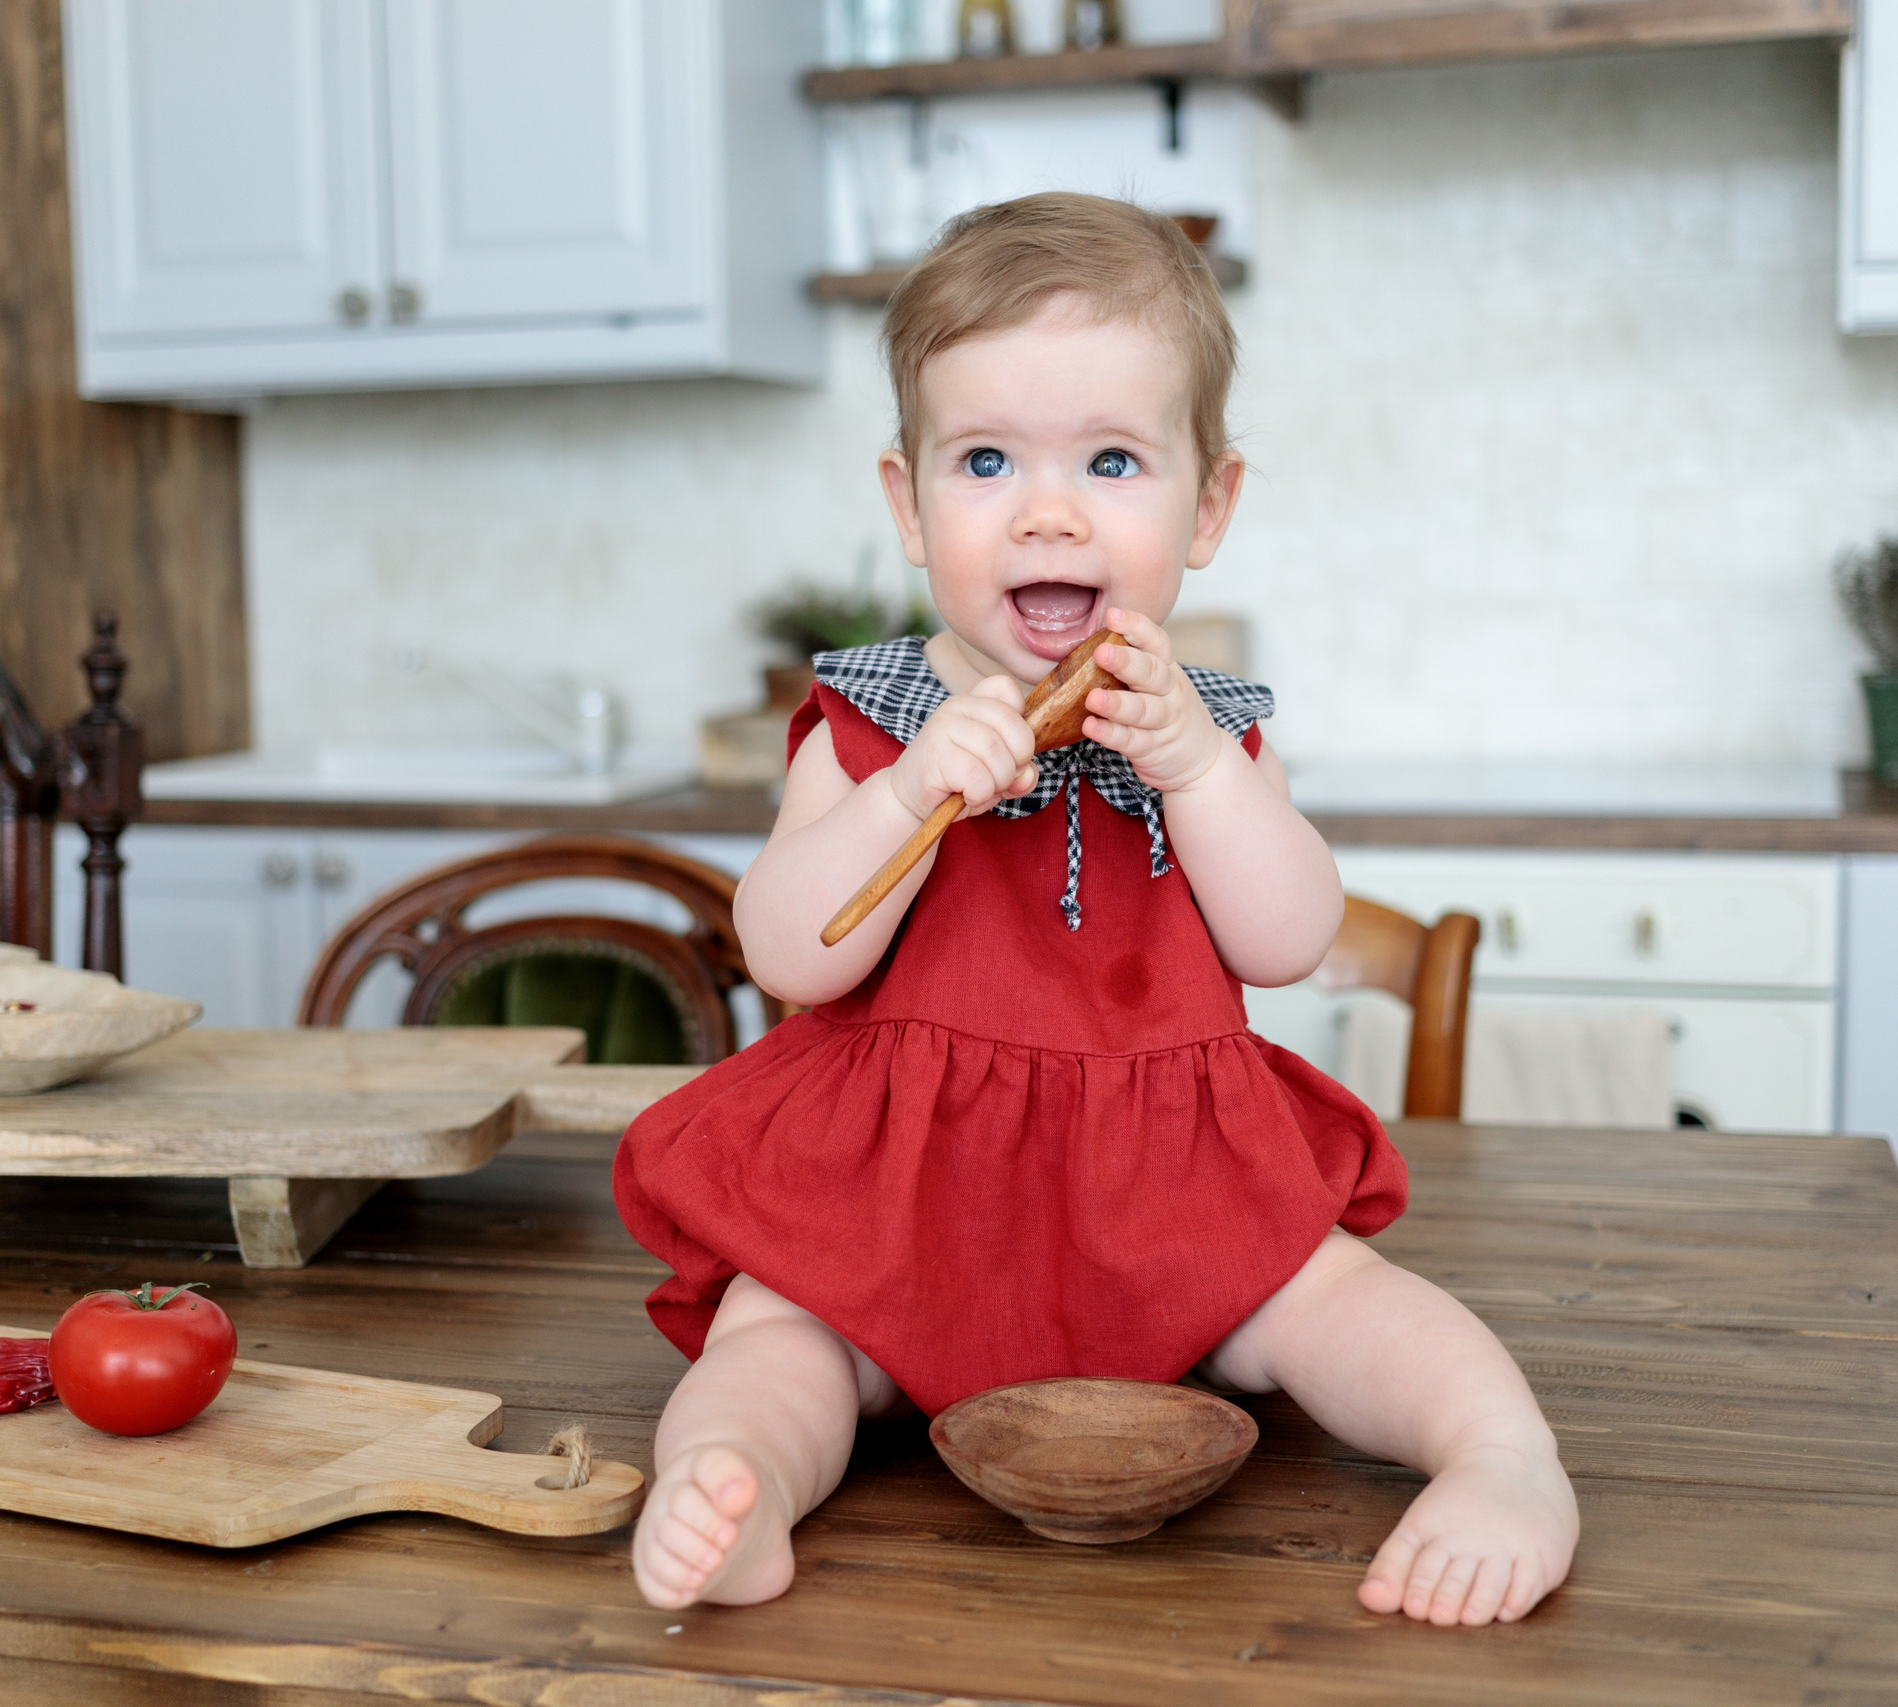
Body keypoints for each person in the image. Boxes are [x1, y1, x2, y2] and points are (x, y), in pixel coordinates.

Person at [613, 192, 1577, 1627]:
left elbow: (1285, 937)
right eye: (986, 459)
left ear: (1209, 508)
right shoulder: (869, 722)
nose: (1046, 510)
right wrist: (908, 795)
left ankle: (1505, 1459)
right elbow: (790, 955)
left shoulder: (1214, 731)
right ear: (907, 501)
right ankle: (733, 1486)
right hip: (898, 1203)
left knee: (1342, 1301)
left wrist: (1196, 770)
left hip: (1170, 1198)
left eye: (1113, 460)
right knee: (777, 1339)